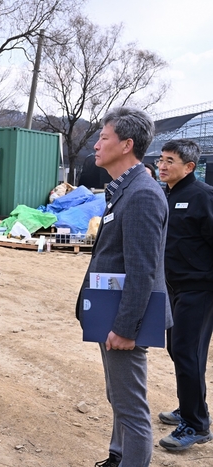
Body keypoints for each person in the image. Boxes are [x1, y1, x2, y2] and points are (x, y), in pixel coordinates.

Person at [76, 107, 171, 467]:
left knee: (131, 407)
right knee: (117, 396)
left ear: (127, 144)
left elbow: (143, 270)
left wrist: (126, 327)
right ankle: (117, 457)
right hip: (110, 315)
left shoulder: (143, 194)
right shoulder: (123, 189)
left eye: (104, 137)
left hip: (124, 322)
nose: (96, 145)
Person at [155, 139, 213, 451]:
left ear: (189, 167)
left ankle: (197, 425)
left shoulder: (203, 196)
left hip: (199, 289)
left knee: (188, 353)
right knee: (179, 351)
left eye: (170, 161)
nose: (162, 166)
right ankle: (188, 408)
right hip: (174, 287)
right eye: (161, 160)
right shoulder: (168, 195)